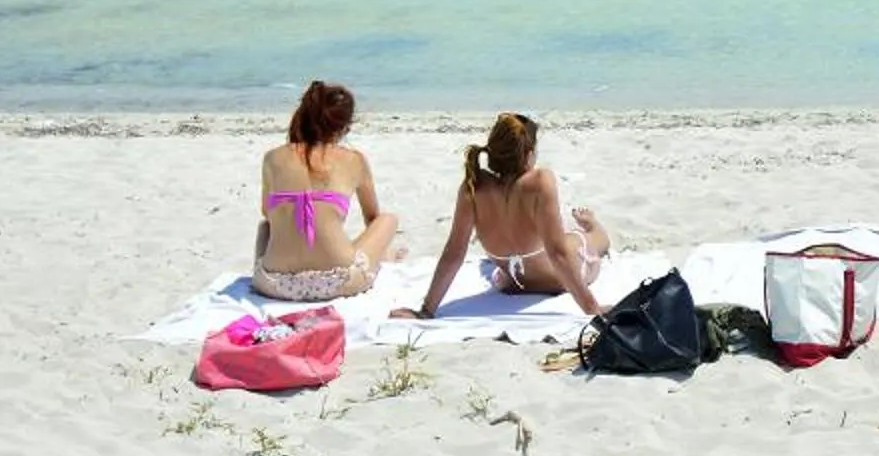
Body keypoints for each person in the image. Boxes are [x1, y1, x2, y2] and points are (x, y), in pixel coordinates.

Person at [390, 111, 616, 321]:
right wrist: (591, 309)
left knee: (493, 264)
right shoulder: (540, 181)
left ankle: (586, 227)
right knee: (590, 240)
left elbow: (454, 253)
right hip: (560, 281)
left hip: (513, 284)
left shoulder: (473, 186)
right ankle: (592, 225)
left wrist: (427, 310)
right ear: (528, 154)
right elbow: (558, 254)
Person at [250, 80, 400, 302]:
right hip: (338, 282)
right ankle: (387, 258)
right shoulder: (354, 160)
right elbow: (371, 217)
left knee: (266, 227)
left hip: (275, 284)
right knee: (387, 219)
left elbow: (267, 213)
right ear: (344, 126)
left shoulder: (272, 158)